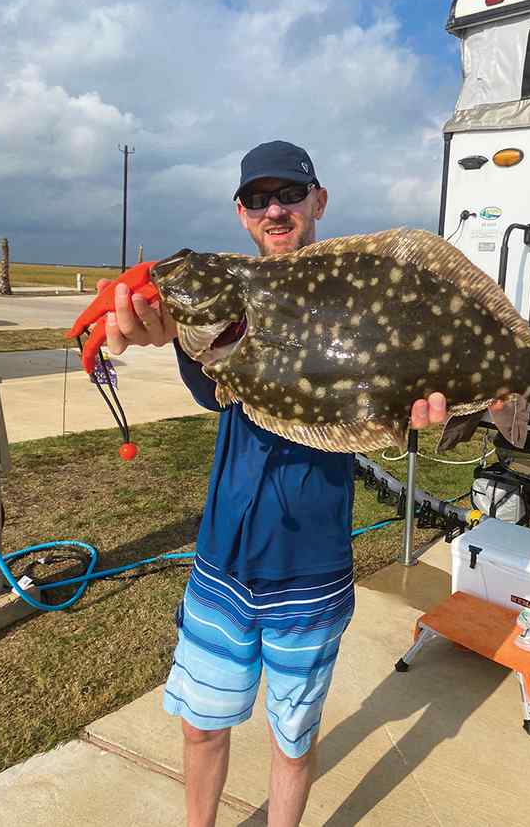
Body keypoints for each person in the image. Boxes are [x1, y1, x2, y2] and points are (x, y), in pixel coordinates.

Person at [99, 140, 448, 827]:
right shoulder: (232, 307)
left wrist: (437, 399)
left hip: (311, 568)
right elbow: (212, 383)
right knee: (201, 725)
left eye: (290, 193)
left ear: (318, 202)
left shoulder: (356, 294)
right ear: (242, 214)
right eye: (258, 198)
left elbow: (401, 378)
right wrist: (165, 329)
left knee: (292, 740)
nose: (275, 208)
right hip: (222, 562)